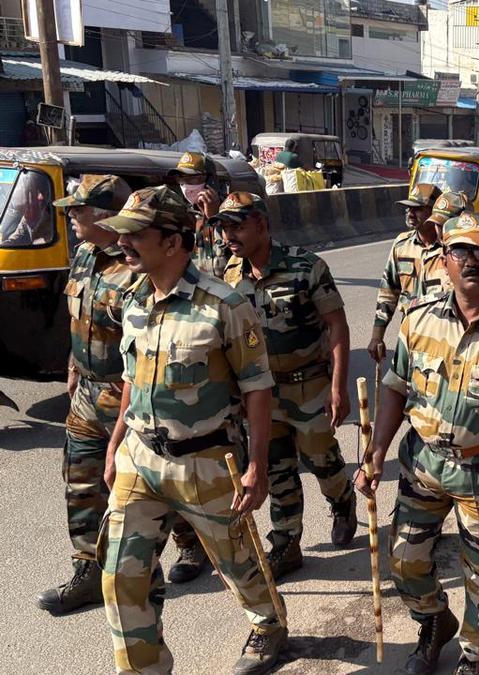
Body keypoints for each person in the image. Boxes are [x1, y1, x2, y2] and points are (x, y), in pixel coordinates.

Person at [97, 185, 287, 675]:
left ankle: (267, 623)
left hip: (205, 461)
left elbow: (257, 387)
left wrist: (258, 467)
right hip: (139, 459)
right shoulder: (133, 300)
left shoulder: (223, 305)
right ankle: (145, 668)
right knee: (120, 574)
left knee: (237, 561)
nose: (124, 243)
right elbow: (130, 379)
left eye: (136, 234)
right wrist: (117, 443)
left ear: (174, 240)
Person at [357, 211, 479, 675]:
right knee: (405, 562)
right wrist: (376, 453)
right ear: (444, 260)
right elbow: (395, 388)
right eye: (459, 250)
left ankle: (474, 654)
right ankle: (434, 623)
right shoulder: (417, 320)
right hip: (422, 464)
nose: (470, 260)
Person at [217, 192, 358, 580]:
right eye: (224, 227)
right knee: (275, 467)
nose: (230, 235)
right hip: (261, 394)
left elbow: (337, 325)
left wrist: (337, 386)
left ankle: (342, 500)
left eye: (238, 225)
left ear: (262, 224)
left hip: (308, 385)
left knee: (322, 459)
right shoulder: (227, 273)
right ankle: (286, 542)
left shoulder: (306, 267)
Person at [37, 175, 134, 616]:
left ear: (105, 215)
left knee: (147, 490)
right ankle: (87, 573)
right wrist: (73, 368)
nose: (70, 216)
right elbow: (76, 318)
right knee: (79, 485)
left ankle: (191, 546)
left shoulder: (138, 266)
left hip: (128, 398)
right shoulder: (84, 256)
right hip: (86, 397)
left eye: (78, 209)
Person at [368, 186, 479, 363]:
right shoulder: (402, 245)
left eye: (418, 208)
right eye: (438, 223)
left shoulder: (471, 264)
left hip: (451, 346)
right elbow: (388, 291)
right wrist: (377, 335)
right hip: (412, 336)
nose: (441, 230)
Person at [166, 151, 225, 277]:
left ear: (210, 180)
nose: (186, 186)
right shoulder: (182, 215)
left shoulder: (231, 210)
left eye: (192, 179)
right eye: (181, 179)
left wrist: (214, 218)